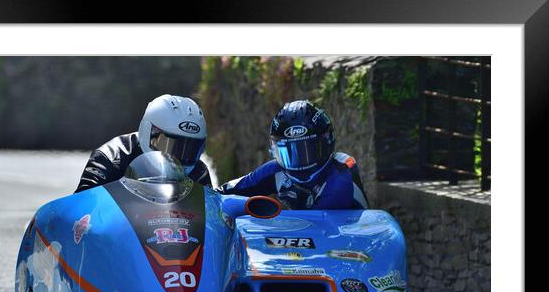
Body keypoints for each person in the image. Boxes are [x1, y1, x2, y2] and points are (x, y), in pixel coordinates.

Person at [218, 99, 369, 210]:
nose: (299, 162)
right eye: (288, 153)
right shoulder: (277, 170)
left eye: (308, 151)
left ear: (327, 143)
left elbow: (316, 225)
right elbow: (226, 191)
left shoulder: (341, 170)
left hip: (350, 246)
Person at [75, 94, 212, 193]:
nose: (180, 158)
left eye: (191, 149)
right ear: (149, 132)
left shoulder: (198, 172)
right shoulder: (111, 157)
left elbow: (210, 218)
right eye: (170, 146)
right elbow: (82, 208)